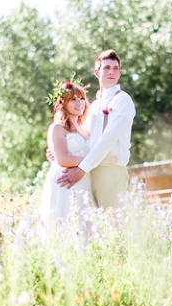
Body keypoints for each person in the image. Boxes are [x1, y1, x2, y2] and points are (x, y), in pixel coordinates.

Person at [58, 49, 136, 208]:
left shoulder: (122, 100)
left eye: (115, 68)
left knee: (113, 225)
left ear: (120, 73)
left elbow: (108, 139)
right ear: (97, 72)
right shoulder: (93, 106)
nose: (111, 72)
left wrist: (81, 169)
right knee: (91, 227)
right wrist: (60, 149)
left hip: (111, 172)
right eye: (106, 67)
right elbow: (83, 138)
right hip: (89, 172)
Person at [38, 81, 93, 234]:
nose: (79, 103)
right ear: (63, 103)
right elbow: (62, 159)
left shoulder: (86, 130)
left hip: (84, 181)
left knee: (85, 228)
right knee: (65, 226)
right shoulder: (57, 128)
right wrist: (91, 161)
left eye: (81, 98)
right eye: (73, 99)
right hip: (65, 182)